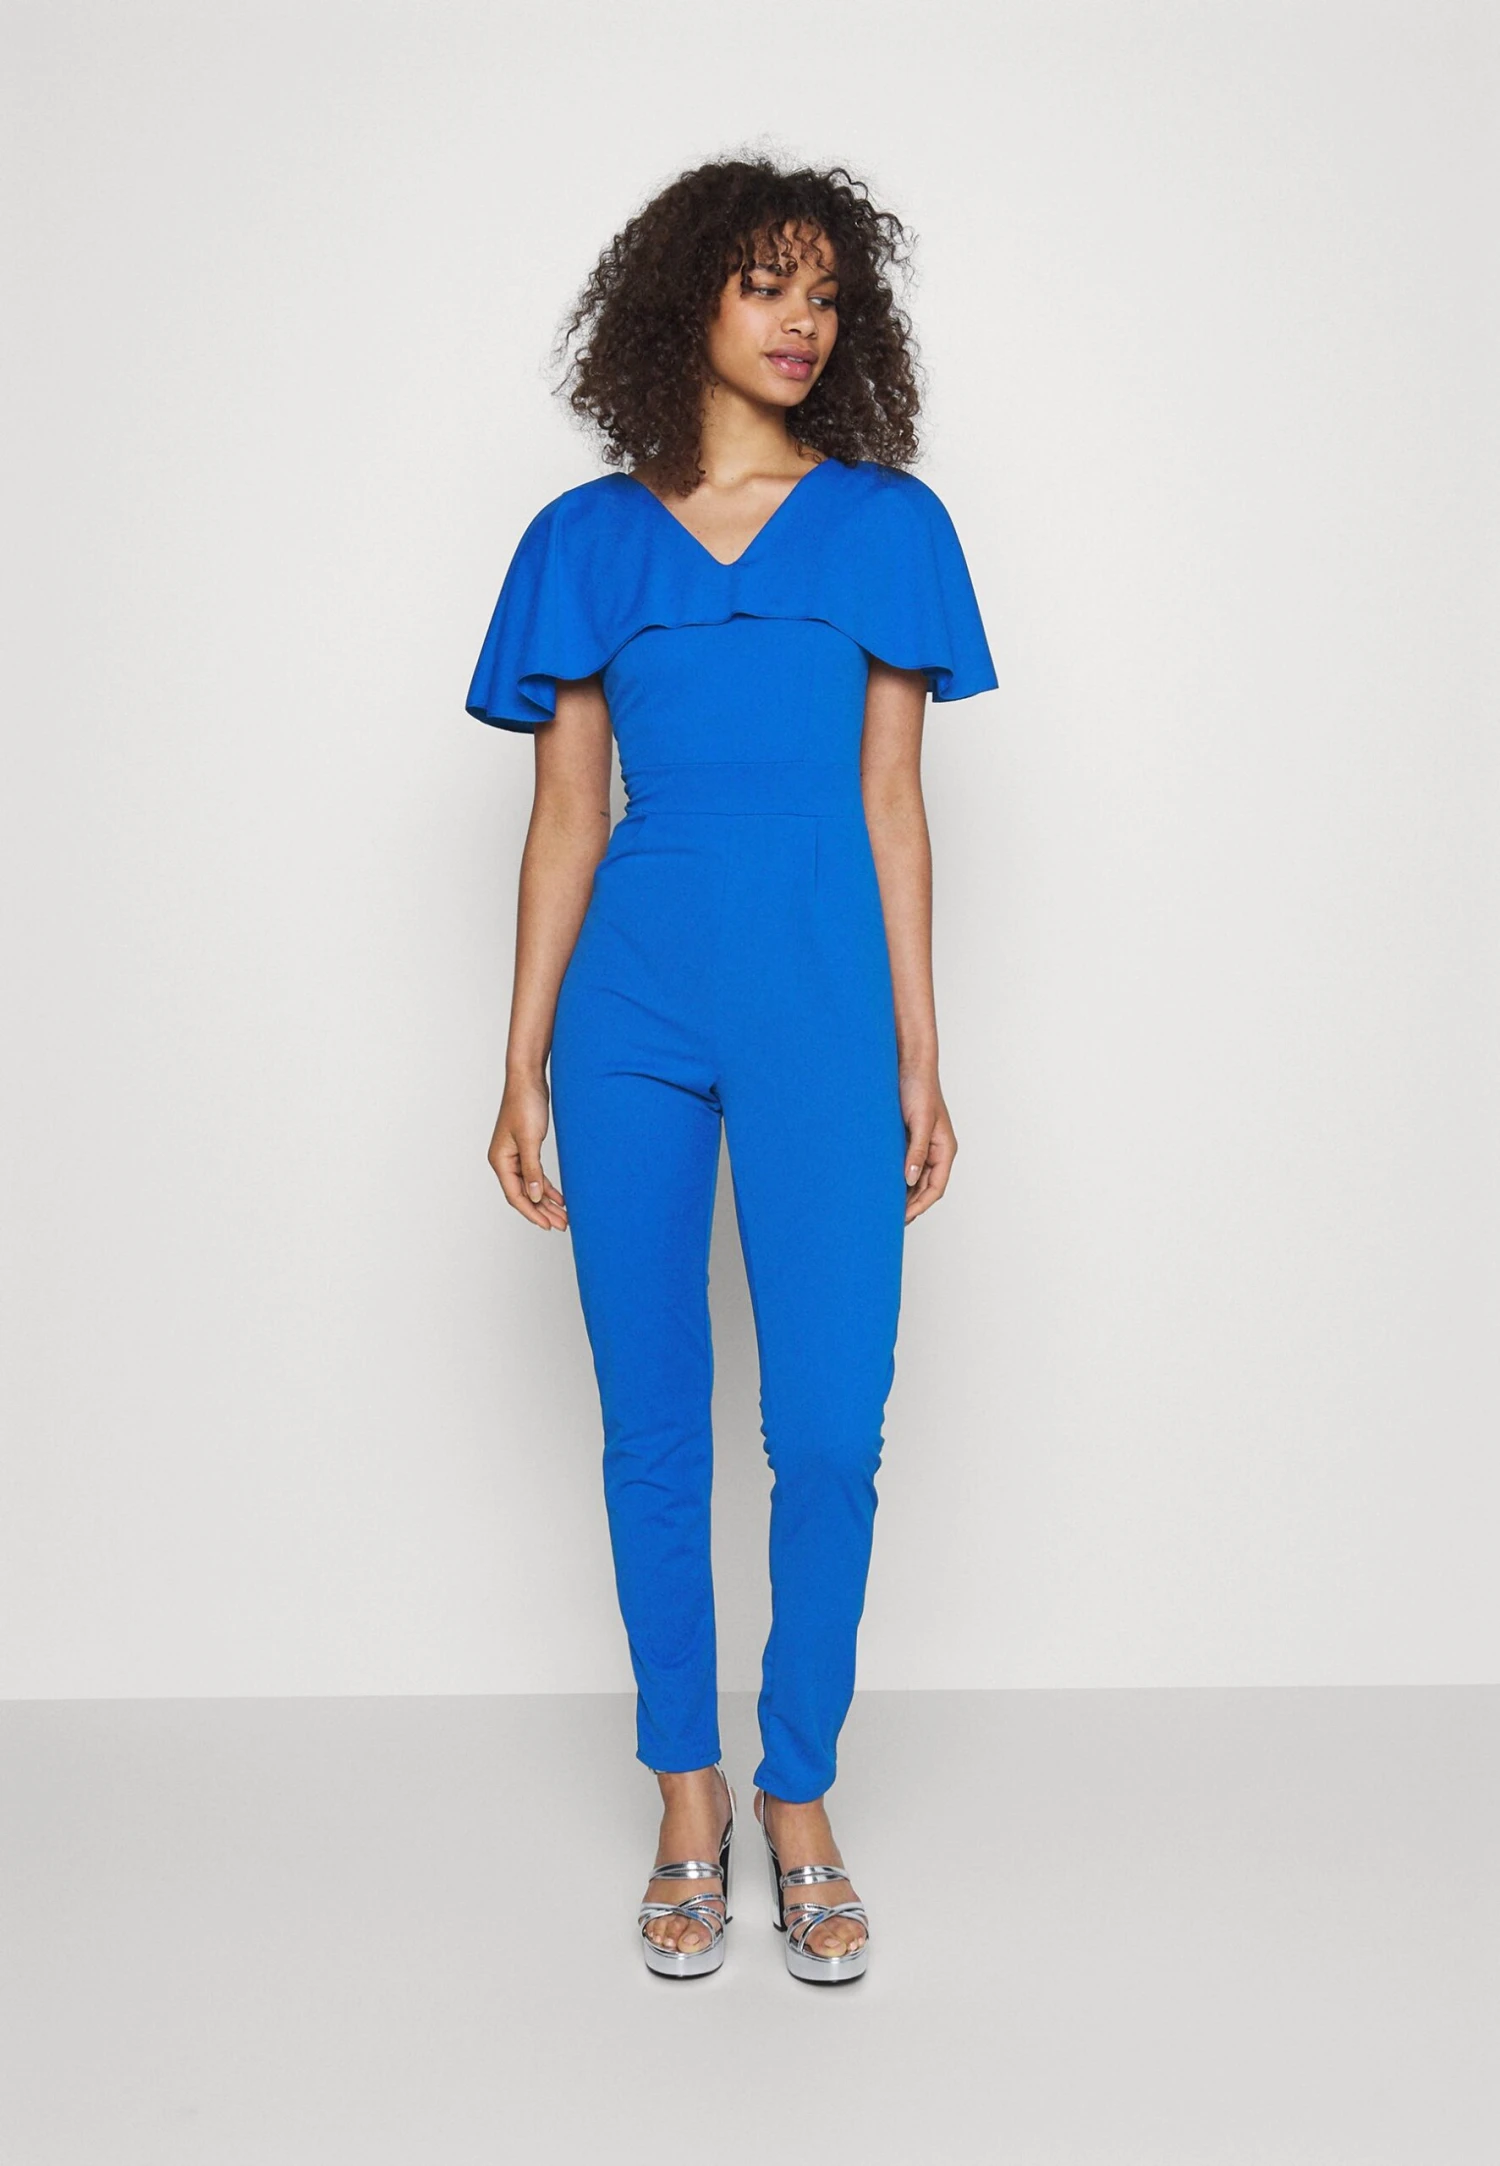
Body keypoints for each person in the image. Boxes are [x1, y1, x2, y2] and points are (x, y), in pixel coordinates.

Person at [465, 156, 997, 1984]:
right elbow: (564, 817)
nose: (801, 321)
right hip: (630, 1018)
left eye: (827, 295)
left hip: (822, 1011)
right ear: (683, 298)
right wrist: (520, 1060)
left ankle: (799, 1786)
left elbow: (892, 803)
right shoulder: (583, 542)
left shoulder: (887, 527)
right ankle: (687, 1793)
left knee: (831, 1429)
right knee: (653, 1421)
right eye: (767, 284)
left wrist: (923, 1048)